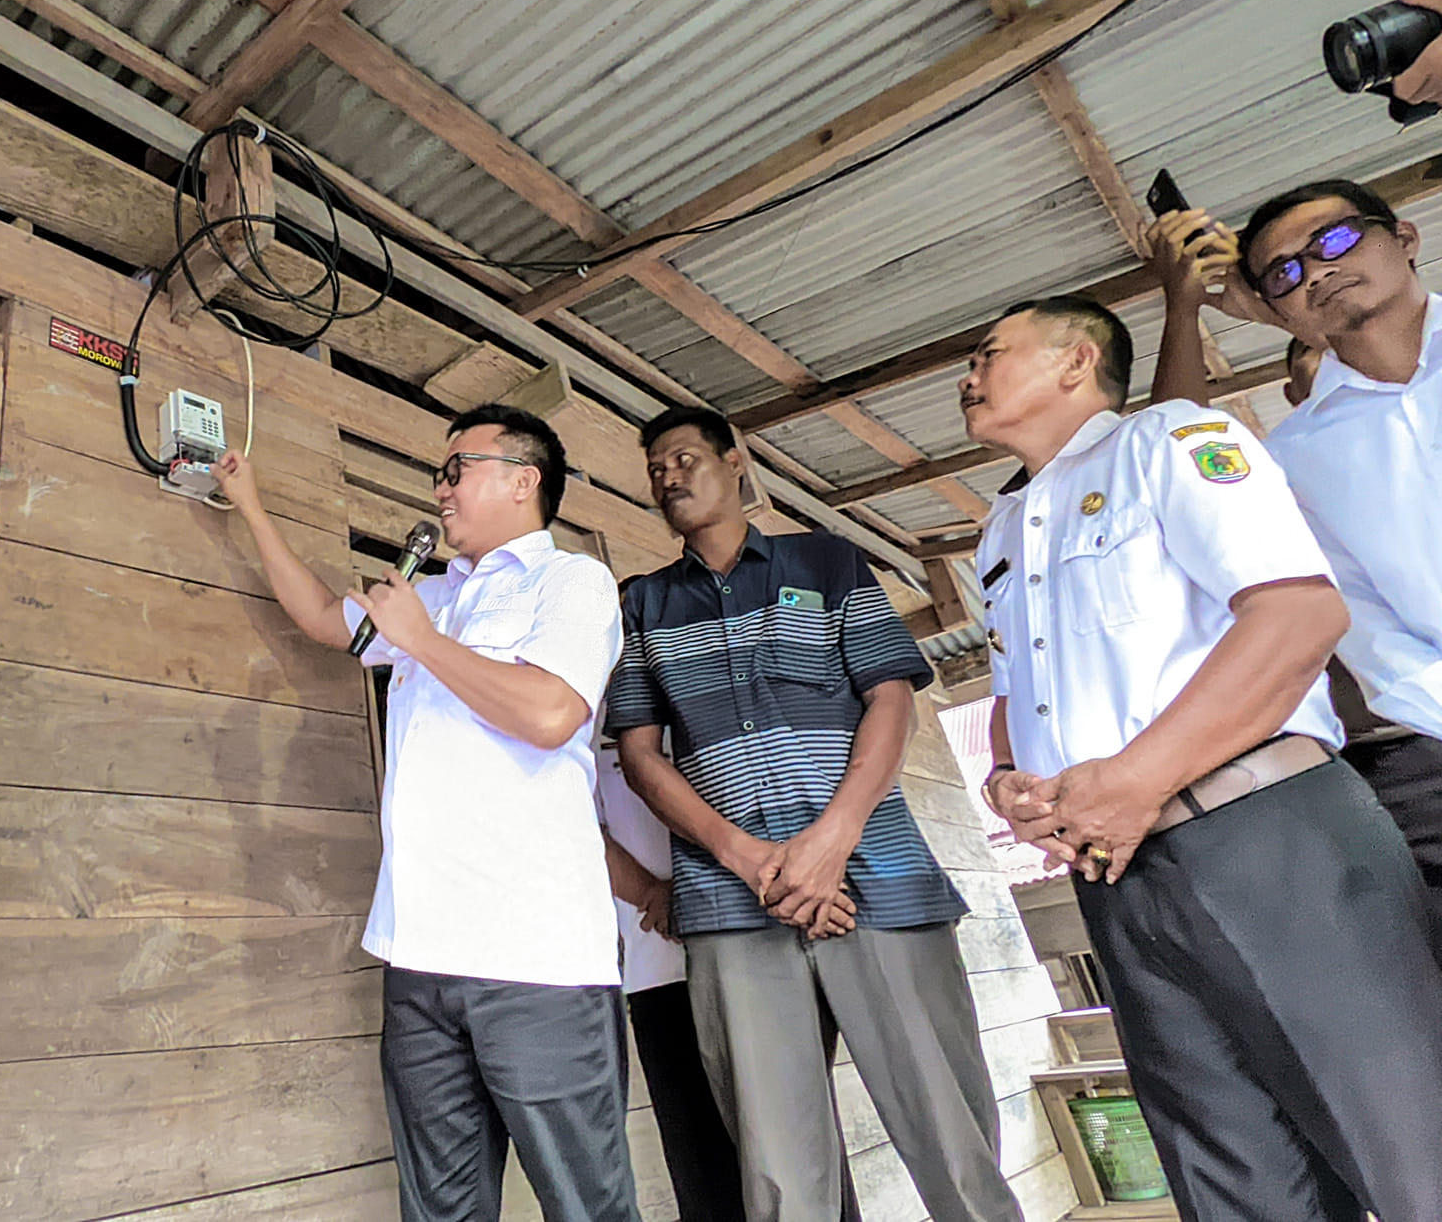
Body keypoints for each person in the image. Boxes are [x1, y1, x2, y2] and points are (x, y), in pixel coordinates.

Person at [962, 294, 1442, 1220]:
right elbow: (1020, 694)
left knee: (1409, 1147)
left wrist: (1136, 779)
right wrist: (1008, 781)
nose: (968, 376)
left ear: (1075, 361)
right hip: (1119, 875)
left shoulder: (1171, 441)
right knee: (1232, 1177)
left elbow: (1299, 614)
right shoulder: (1002, 529)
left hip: (1267, 837)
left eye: (989, 352)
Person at [216, 405, 638, 1222]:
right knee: (441, 1208)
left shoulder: (570, 582)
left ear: (523, 480)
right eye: (438, 475)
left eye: (457, 469)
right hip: (418, 957)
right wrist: (251, 505)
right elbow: (323, 618)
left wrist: (422, 640)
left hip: (538, 963)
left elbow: (551, 712)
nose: (440, 489)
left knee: (587, 1204)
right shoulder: (433, 593)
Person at [607, 406, 1014, 1222]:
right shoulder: (643, 603)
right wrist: (755, 862)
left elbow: (890, 698)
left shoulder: (826, 561)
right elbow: (643, 756)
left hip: (877, 880)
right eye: (655, 470)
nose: (669, 477)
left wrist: (833, 841)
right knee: (779, 1169)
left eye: (684, 458)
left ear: (735, 463)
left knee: (952, 1137)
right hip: (731, 901)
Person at [1145, 196, 1435, 914]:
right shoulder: (1295, 460)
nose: (1317, 270)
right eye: (1285, 273)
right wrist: (1185, 307)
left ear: (1405, 237)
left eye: (1334, 240)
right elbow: (1375, 639)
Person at [595, 706, 746, 1222]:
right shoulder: (585, 707)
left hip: (753, 955)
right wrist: (651, 894)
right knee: (702, 1164)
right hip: (658, 971)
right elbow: (577, 825)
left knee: (798, 1148)